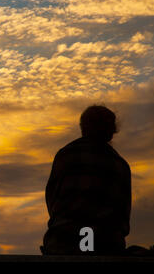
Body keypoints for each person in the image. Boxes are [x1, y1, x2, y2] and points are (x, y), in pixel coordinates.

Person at [42, 105, 131, 255]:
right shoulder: (120, 165)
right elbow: (123, 217)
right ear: (111, 133)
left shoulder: (65, 155)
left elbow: (52, 202)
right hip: (107, 245)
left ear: (83, 128)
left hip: (64, 241)